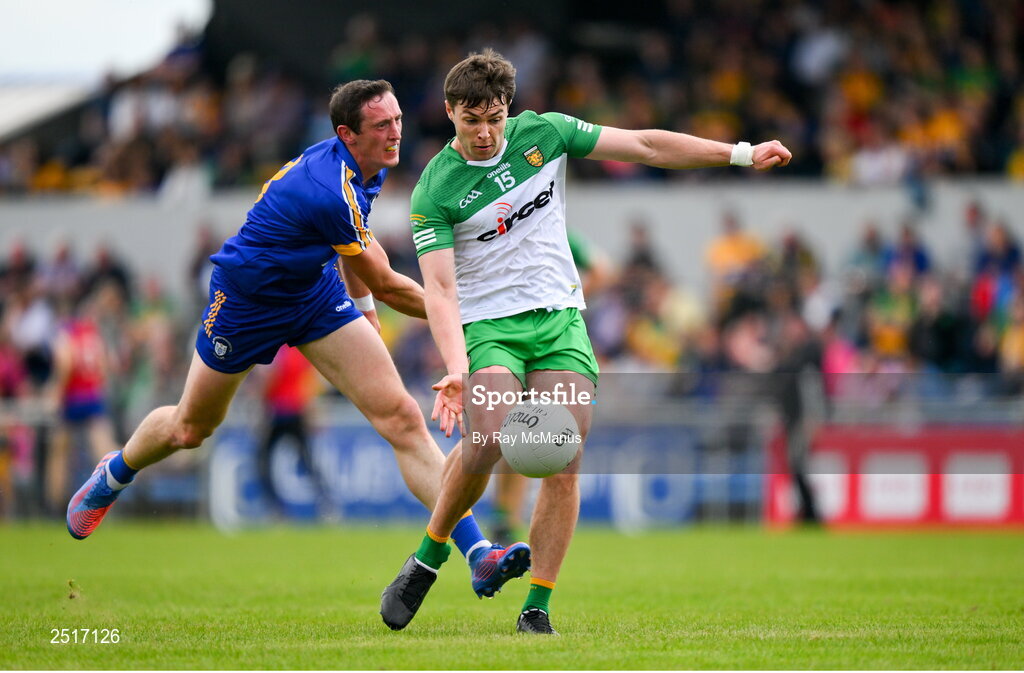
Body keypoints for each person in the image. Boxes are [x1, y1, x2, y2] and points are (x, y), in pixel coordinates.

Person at [380, 49, 791, 635]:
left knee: (562, 461)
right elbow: (441, 291)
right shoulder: (434, 190)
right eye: (471, 120)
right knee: (485, 442)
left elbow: (645, 145)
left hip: (560, 323)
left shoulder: (546, 134)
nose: (485, 132)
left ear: (508, 108)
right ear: (449, 113)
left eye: (494, 117)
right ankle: (429, 557)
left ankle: (536, 609)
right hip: (492, 327)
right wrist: (456, 366)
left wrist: (740, 154)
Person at [65, 81, 518, 598]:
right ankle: (115, 473)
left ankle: (480, 555)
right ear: (347, 134)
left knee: (402, 418)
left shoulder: (371, 165)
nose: (397, 133)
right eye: (382, 125)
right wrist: (475, 321)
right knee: (191, 427)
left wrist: (364, 315)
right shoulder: (327, 190)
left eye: (397, 119)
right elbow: (389, 282)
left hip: (314, 295)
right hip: (246, 303)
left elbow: (357, 256)